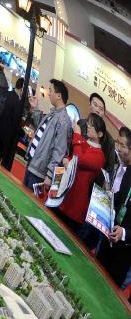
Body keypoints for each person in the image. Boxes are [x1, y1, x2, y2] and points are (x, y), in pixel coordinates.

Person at [53, 113, 106, 245]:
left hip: (75, 207)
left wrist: (77, 135)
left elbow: (78, 159)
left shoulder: (100, 157)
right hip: (62, 196)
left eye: (92, 125)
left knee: (62, 242)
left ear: (100, 134)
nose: (88, 126)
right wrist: (67, 160)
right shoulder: (82, 143)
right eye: (89, 123)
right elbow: (73, 158)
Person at [24, 79, 73, 194]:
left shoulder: (64, 120)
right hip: (33, 163)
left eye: (50, 90)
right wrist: (35, 108)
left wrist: (50, 175)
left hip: (39, 170)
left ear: (59, 95)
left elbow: (59, 151)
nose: (49, 93)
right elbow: (41, 131)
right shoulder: (53, 113)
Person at [98, 126, 131, 288]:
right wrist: (105, 199)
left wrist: (125, 233)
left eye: (122, 146)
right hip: (109, 238)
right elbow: (120, 198)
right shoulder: (128, 172)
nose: (118, 149)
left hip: (123, 252)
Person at [0, 78, 24, 171]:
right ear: (22, 89)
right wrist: (22, 133)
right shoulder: (17, 101)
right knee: (4, 161)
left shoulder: (7, 94)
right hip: (8, 135)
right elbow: (15, 121)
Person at [80, 92, 115, 174]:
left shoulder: (109, 140)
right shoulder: (80, 124)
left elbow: (109, 169)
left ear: (104, 114)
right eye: (95, 105)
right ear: (89, 105)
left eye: (101, 109)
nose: (97, 110)